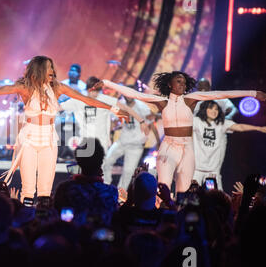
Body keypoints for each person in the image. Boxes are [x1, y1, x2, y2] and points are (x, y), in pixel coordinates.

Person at [0, 56, 132, 203]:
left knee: (46, 188)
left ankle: (42, 218)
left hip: (48, 139)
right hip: (29, 138)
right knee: (28, 188)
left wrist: (115, 109)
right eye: (49, 68)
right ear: (40, 70)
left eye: (53, 68)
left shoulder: (58, 88)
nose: (53, 72)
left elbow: (87, 100)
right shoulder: (24, 87)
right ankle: (25, 221)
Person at [96, 71, 266, 193]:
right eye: (179, 81)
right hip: (169, 146)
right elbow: (133, 93)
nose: (182, 84)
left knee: (184, 191)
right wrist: (106, 82)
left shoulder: (191, 99)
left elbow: (219, 94)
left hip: (187, 149)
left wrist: (252, 93)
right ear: (169, 84)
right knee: (163, 186)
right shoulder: (161, 101)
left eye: (184, 82)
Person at [60, 76, 148, 152]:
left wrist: (141, 121)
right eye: (92, 91)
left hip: (102, 143)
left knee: (99, 170)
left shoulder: (105, 99)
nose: (94, 94)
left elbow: (126, 108)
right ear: (87, 89)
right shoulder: (78, 100)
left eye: (97, 91)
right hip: (85, 143)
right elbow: (58, 107)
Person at [193, 100, 266, 190]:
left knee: (214, 198)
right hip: (196, 171)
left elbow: (240, 127)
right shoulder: (196, 121)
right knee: (191, 197)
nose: (214, 111)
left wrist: (259, 128)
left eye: (216, 109)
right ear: (204, 109)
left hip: (212, 172)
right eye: (211, 108)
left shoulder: (222, 123)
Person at [53, 137, 119, 227]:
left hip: (72, 238)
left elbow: (57, 219)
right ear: (100, 162)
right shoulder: (111, 192)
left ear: (78, 161)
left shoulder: (65, 189)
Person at [103, 88, 155, 189]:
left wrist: (148, 139)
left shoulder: (142, 107)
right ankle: (106, 184)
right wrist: (112, 128)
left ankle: (121, 193)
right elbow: (114, 120)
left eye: (130, 94)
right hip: (122, 142)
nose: (128, 96)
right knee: (107, 161)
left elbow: (151, 122)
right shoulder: (120, 104)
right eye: (126, 94)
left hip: (135, 145)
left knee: (128, 171)